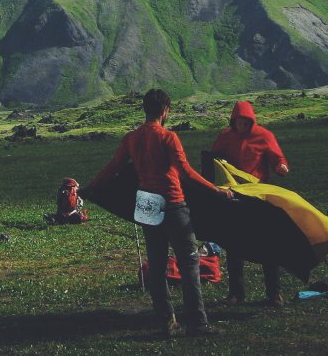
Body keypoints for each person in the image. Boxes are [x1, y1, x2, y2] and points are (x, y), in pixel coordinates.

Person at [89, 88, 232, 338]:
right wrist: (216, 190)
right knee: (189, 262)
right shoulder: (168, 137)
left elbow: (112, 169)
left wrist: (89, 188)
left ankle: (167, 322)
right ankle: (197, 323)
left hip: (146, 203)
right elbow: (185, 172)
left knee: (156, 265)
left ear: (145, 109)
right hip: (172, 202)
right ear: (165, 110)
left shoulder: (131, 139)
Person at [205, 100, 290, 306]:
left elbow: (277, 157)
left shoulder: (264, 136)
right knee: (234, 245)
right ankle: (236, 293)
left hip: (258, 196)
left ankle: (274, 293)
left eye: (245, 122)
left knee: (268, 244)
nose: (242, 126)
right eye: (238, 122)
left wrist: (281, 166)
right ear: (233, 120)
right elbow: (214, 157)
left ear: (251, 121)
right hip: (233, 197)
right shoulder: (225, 137)